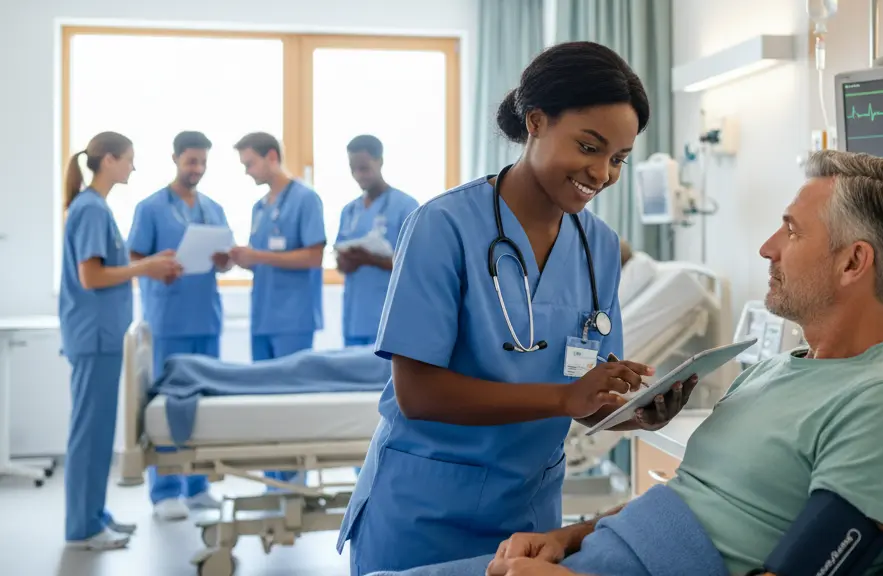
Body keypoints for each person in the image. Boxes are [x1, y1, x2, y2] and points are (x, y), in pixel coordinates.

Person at [475, 150, 883, 576]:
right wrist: (564, 539)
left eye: (792, 230)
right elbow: (689, 499)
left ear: (852, 263)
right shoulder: (774, 370)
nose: (768, 248)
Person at [335, 41, 696, 576]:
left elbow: (585, 394)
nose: (602, 173)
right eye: (589, 147)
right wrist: (565, 396)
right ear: (536, 121)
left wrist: (632, 414)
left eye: (618, 158)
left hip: (528, 520)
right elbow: (417, 394)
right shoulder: (443, 226)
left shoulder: (598, 247)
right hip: (424, 508)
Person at [59, 131, 183, 550]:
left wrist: (144, 265)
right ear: (108, 160)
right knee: (88, 433)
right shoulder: (91, 209)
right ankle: (82, 527)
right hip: (94, 336)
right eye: (130, 159)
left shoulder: (96, 208)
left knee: (98, 432)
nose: (133, 167)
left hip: (102, 336)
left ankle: (94, 515)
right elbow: (91, 276)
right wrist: (145, 267)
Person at [127, 130, 231, 521]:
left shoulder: (213, 208)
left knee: (203, 402)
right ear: (175, 159)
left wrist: (225, 261)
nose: (197, 169)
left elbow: (225, 253)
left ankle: (198, 487)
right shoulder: (150, 207)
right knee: (168, 404)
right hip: (168, 317)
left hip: (206, 315)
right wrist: (158, 265)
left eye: (202, 162)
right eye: (191, 161)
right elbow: (135, 256)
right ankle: (165, 490)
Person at [229, 131, 326, 487]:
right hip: (264, 315)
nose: (246, 172)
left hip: (293, 317)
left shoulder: (305, 199)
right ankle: (274, 479)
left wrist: (259, 256)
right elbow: (263, 259)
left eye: (249, 163)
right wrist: (241, 259)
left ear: (272, 156)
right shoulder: (260, 207)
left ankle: (294, 480)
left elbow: (314, 256)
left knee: (293, 401)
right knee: (266, 401)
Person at [335, 135, 419, 348]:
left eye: (364, 168)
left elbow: (414, 264)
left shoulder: (405, 207)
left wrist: (370, 259)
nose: (358, 175)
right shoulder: (349, 211)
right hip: (354, 317)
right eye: (352, 168)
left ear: (380, 161)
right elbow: (340, 262)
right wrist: (345, 261)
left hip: (388, 316)